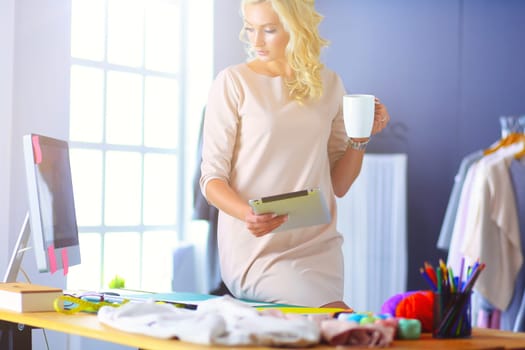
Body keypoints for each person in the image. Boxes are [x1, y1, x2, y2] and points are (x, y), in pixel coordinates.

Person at [199, 0, 390, 308]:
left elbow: (339, 184)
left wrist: (361, 137)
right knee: (343, 322)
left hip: (317, 243)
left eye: (269, 30)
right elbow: (211, 179)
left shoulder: (330, 84)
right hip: (256, 248)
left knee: (322, 334)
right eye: (250, 29)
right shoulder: (233, 82)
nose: (256, 41)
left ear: (296, 28)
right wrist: (247, 214)